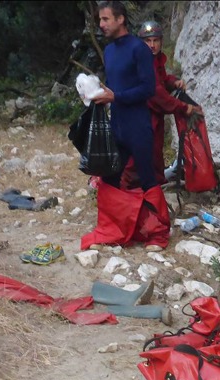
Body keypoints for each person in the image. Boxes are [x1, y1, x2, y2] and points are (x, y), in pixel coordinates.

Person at [83, 1, 170, 252]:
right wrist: (94, 94)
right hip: (117, 123)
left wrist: (116, 97)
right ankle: (114, 227)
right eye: (100, 19)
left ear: (121, 19)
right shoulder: (109, 51)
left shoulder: (139, 49)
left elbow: (147, 88)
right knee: (109, 175)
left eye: (106, 19)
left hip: (138, 125)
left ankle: (159, 233)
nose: (101, 24)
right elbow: (112, 86)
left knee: (147, 177)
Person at [121, 20, 202, 189]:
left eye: (155, 40)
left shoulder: (155, 60)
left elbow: (162, 81)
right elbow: (156, 93)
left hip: (153, 117)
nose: (152, 45)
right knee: (137, 158)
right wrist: (182, 107)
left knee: (155, 154)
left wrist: (173, 82)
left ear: (160, 42)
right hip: (141, 117)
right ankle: (125, 194)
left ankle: (155, 190)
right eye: (147, 41)